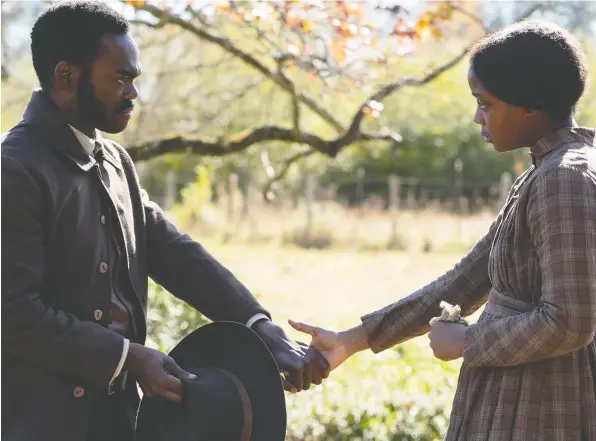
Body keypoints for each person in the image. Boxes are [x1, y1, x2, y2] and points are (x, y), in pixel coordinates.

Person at [1, 2, 328, 441]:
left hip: (117, 421)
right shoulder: (14, 169)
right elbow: (14, 314)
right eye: (121, 78)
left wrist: (257, 327)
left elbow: (174, 252)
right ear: (67, 75)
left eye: (134, 79)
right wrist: (128, 358)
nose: (133, 93)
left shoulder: (116, 162)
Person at [290, 20, 596, 441]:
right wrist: (350, 341)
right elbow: (466, 280)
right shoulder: (542, 174)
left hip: (542, 405)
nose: (476, 117)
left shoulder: (566, 180)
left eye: (485, 104)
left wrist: (470, 342)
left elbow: (572, 322)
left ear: (529, 103)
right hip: (514, 392)